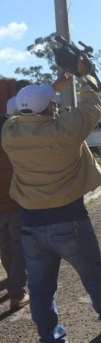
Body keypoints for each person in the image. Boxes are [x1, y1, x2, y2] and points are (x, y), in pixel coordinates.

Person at [1, 59, 101, 342]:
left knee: (40, 290)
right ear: (50, 108)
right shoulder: (64, 130)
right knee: (93, 273)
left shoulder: (10, 133)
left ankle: (51, 337)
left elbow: (18, 109)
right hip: (68, 220)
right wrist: (83, 77)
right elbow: (93, 104)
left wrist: (52, 88)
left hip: (31, 225)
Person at [0, 84, 29, 310]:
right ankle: (17, 293)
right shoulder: (15, 135)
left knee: (6, 248)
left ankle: (14, 287)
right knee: (19, 247)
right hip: (15, 200)